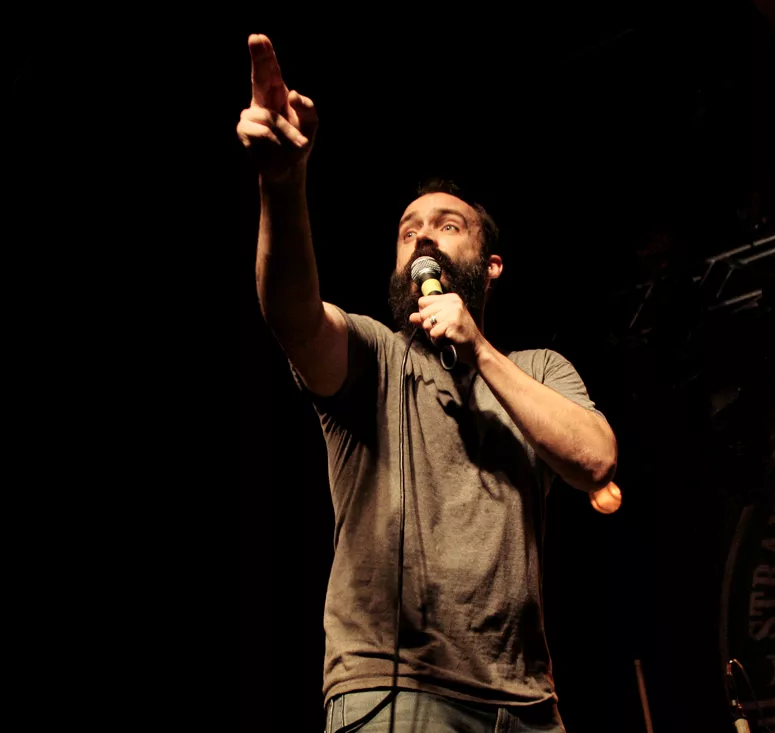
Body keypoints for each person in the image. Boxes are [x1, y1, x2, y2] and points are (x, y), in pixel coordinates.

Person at [238, 33, 618, 733]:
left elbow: (595, 459)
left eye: (448, 225)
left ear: (491, 266)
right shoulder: (375, 356)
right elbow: (292, 315)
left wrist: (479, 350)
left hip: (527, 703)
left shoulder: (538, 369)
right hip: (395, 691)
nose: (422, 237)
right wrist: (282, 185)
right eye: (409, 229)